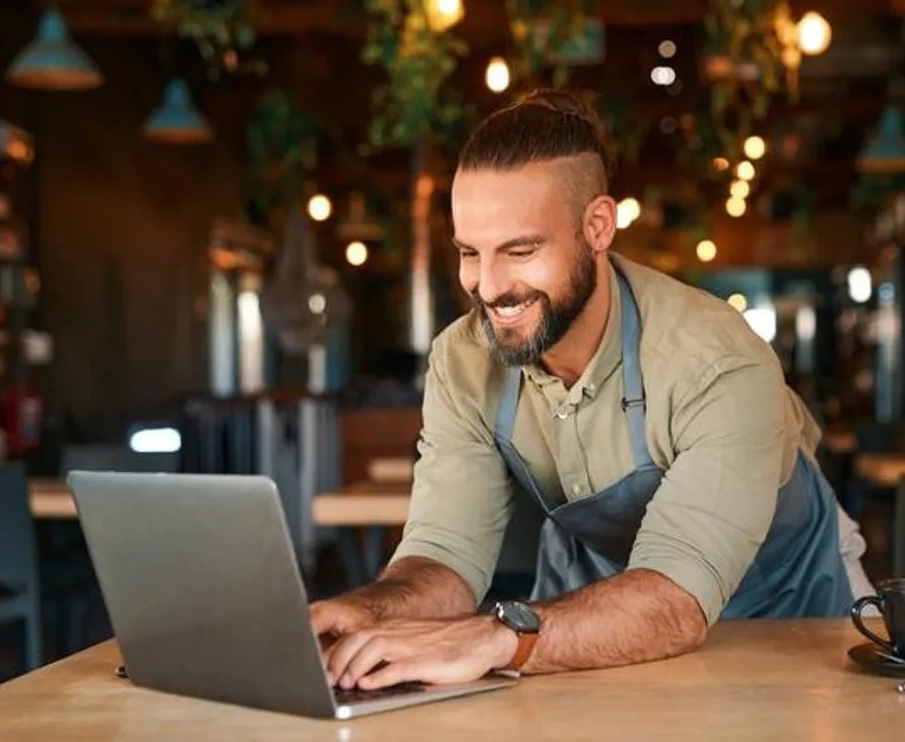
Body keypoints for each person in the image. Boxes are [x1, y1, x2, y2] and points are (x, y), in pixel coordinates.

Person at [309, 89, 873, 692]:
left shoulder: (718, 362)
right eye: (470, 253)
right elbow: (446, 554)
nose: (489, 286)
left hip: (790, 613)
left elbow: (674, 601)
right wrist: (373, 612)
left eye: (520, 251)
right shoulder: (464, 360)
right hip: (600, 613)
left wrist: (495, 636)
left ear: (597, 227)